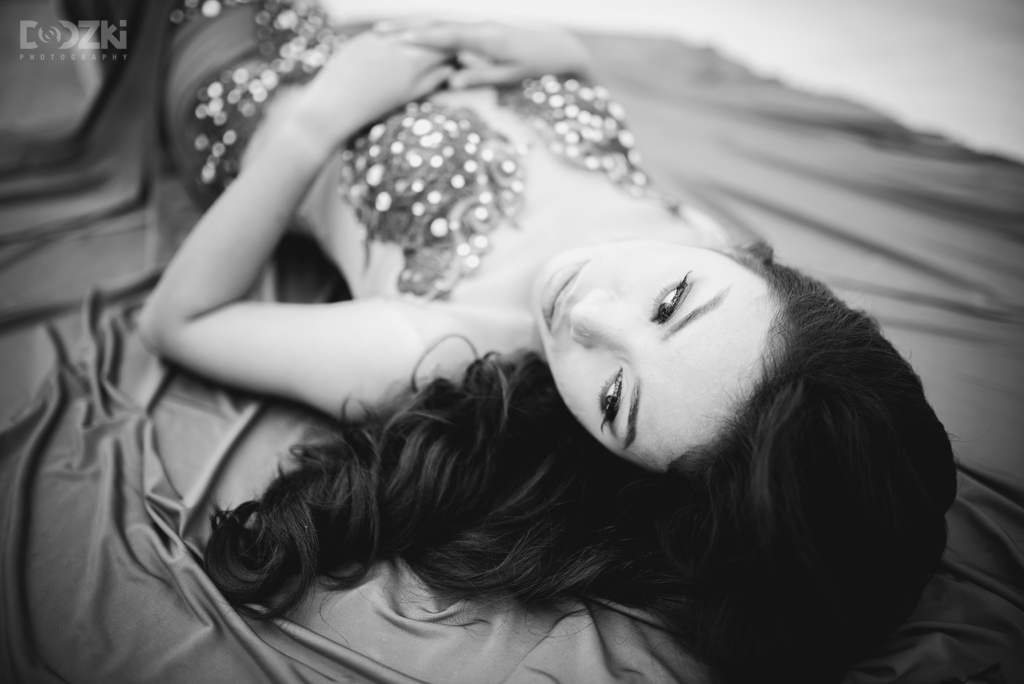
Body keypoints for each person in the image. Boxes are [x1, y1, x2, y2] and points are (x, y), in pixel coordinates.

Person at [141, 7, 957, 683]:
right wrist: (564, 57)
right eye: (671, 302)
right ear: (753, 265)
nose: (588, 314)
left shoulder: (434, 346)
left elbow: (182, 321)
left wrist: (318, 119)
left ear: (616, 458)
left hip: (243, 65)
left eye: (615, 398)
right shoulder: (707, 243)